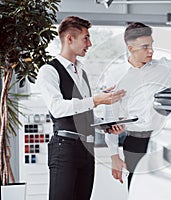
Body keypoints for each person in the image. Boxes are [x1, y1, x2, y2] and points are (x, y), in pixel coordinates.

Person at [104, 22, 171, 189]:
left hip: (163, 139)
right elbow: (110, 117)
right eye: (145, 46)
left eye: (152, 45)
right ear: (131, 48)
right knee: (137, 188)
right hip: (135, 141)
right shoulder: (115, 74)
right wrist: (114, 155)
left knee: (166, 188)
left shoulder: (165, 66)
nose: (151, 50)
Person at [36, 16, 126, 200]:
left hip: (87, 149)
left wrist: (106, 125)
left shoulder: (82, 72)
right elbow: (57, 108)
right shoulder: (49, 70)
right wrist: (96, 100)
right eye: (86, 38)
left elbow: (84, 111)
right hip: (65, 148)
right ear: (70, 39)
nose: (90, 43)